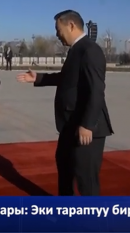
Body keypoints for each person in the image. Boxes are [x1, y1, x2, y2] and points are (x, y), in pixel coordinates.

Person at [16, 10, 113, 196]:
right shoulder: (76, 50)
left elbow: (96, 90)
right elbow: (68, 78)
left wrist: (87, 125)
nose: (57, 34)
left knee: (86, 179)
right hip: (70, 124)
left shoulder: (89, 50)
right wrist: (39, 78)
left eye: (58, 29)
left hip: (86, 127)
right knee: (64, 166)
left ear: (71, 25)